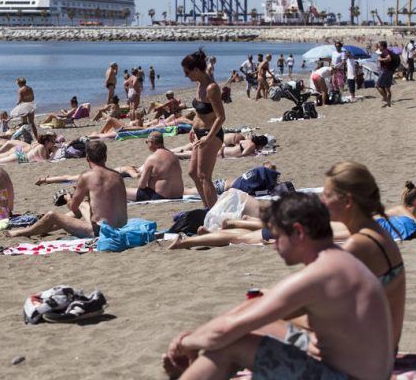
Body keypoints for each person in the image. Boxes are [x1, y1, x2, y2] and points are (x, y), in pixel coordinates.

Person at [162, 192, 394, 379]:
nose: (274, 245)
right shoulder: (340, 261)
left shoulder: (318, 275)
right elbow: (253, 310)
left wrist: (184, 343)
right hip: (365, 367)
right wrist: (198, 336)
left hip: (350, 375)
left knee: (232, 345)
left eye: (277, 237)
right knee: (250, 329)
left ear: (298, 232)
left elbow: (225, 332)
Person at [322, 161, 406, 348]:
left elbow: (314, 304)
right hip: (382, 350)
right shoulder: (380, 233)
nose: (322, 201)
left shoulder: (358, 245)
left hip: (366, 358)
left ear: (348, 201)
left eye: (327, 195)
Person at [6, 141, 127, 238]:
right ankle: (46, 228)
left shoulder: (87, 176)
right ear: (105, 157)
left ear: (87, 158)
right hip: (121, 227)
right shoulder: (117, 176)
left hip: (101, 231)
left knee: (52, 215)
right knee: (84, 205)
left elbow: (73, 207)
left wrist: (68, 198)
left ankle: (21, 233)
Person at [183, 49, 225, 208]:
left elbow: (221, 117)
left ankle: (213, 211)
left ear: (196, 70)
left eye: (187, 72)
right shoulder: (199, 84)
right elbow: (199, 112)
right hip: (199, 133)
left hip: (211, 134)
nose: (186, 76)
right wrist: (193, 129)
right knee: (193, 173)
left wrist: (207, 138)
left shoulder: (211, 88)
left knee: (203, 175)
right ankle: (207, 207)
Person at [126, 132, 184, 201]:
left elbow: (141, 185)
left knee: (123, 191)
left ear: (152, 142)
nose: (147, 144)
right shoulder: (174, 156)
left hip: (160, 196)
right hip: (178, 196)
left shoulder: (152, 158)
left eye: (146, 142)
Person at [376, 41, 394, 107]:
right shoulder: (387, 51)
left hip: (385, 71)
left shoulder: (385, 51)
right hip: (389, 71)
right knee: (387, 88)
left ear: (382, 46)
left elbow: (389, 58)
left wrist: (381, 59)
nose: (378, 47)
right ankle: (388, 103)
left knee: (377, 86)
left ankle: (386, 99)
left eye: (379, 46)